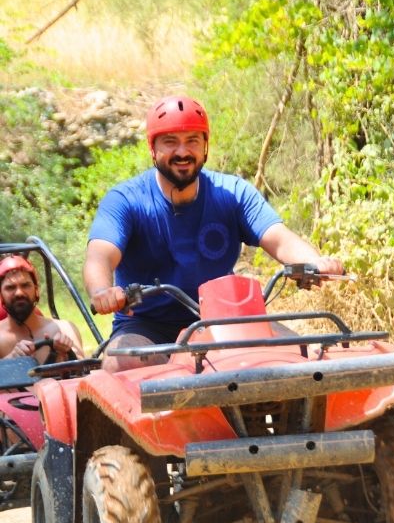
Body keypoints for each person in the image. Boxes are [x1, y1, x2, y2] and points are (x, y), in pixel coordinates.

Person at [84, 94, 344, 372]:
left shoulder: (232, 193)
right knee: (122, 361)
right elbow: (100, 256)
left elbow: (279, 238)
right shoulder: (126, 200)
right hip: (146, 326)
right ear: (152, 148)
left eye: (192, 141)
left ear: (205, 146)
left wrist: (315, 262)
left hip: (226, 319)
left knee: (300, 358)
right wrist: (102, 291)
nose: (182, 152)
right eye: (170, 142)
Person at [0, 255, 84, 363]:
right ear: (1, 295)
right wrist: (10, 361)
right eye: (10, 287)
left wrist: (67, 356)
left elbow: (85, 371)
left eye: (25, 285)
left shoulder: (66, 329)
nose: (19, 293)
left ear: (36, 290)